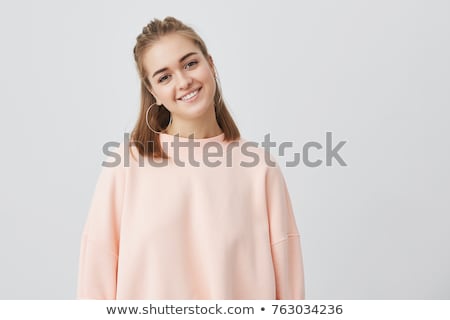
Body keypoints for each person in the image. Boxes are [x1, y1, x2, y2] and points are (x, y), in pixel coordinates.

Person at [77, 16, 305, 300]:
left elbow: (290, 296)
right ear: (153, 92)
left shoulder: (259, 168)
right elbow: (95, 286)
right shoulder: (125, 167)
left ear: (211, 64)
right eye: (165, 77)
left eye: (190, 64)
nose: (184, 81)